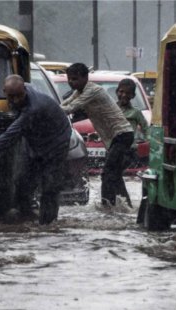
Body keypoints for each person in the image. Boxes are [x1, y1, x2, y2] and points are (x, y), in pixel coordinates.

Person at [0, 75, 71, 225]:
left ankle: (47, 225)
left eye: (19, 96)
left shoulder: (34, 108)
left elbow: (10, 135)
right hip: (35, 141)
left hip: (56, 142)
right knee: (22, 181)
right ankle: (27, 216)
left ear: (25, 90)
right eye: (11, 96)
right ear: (4, 92)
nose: (16, 100)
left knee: (49, 187)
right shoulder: (22, 93)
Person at [60, 63, 135, 208]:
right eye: (69, 79)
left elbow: (70, 108)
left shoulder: (92, 90)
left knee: (106, 174)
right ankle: (127, 207)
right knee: (116, 175)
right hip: (116, 137)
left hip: (122, 135)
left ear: (85, 78)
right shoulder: (79, 92)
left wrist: (49, 111)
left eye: (74, 79)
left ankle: (107, 208)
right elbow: (64, 104)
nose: (71, 82)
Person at [116, 78, 149, 174]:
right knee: (112, 174)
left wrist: (149, 145)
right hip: (113, 148)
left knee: (122, 174)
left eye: (128, 93)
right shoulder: (111, 109)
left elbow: (146, 129)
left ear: (133, 95)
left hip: (129, 150)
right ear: (117, 92)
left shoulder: (136, 112)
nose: (124, 95)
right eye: (121, 92)